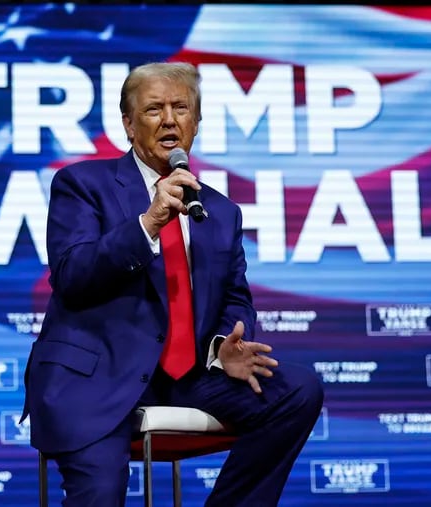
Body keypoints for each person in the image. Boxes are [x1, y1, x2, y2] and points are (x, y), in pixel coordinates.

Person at [21, 61, 324, 506]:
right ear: (128, 124)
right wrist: (149, 222)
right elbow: (73, 275)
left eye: (181, 108)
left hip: (189, 377)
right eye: (153, 109)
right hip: (98, 377)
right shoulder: (82, 184)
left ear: (196, 123)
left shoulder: (219, 211)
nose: (169, 119)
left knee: (298, 391)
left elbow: (234, 296)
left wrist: (224, 347)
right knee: (101, 496)